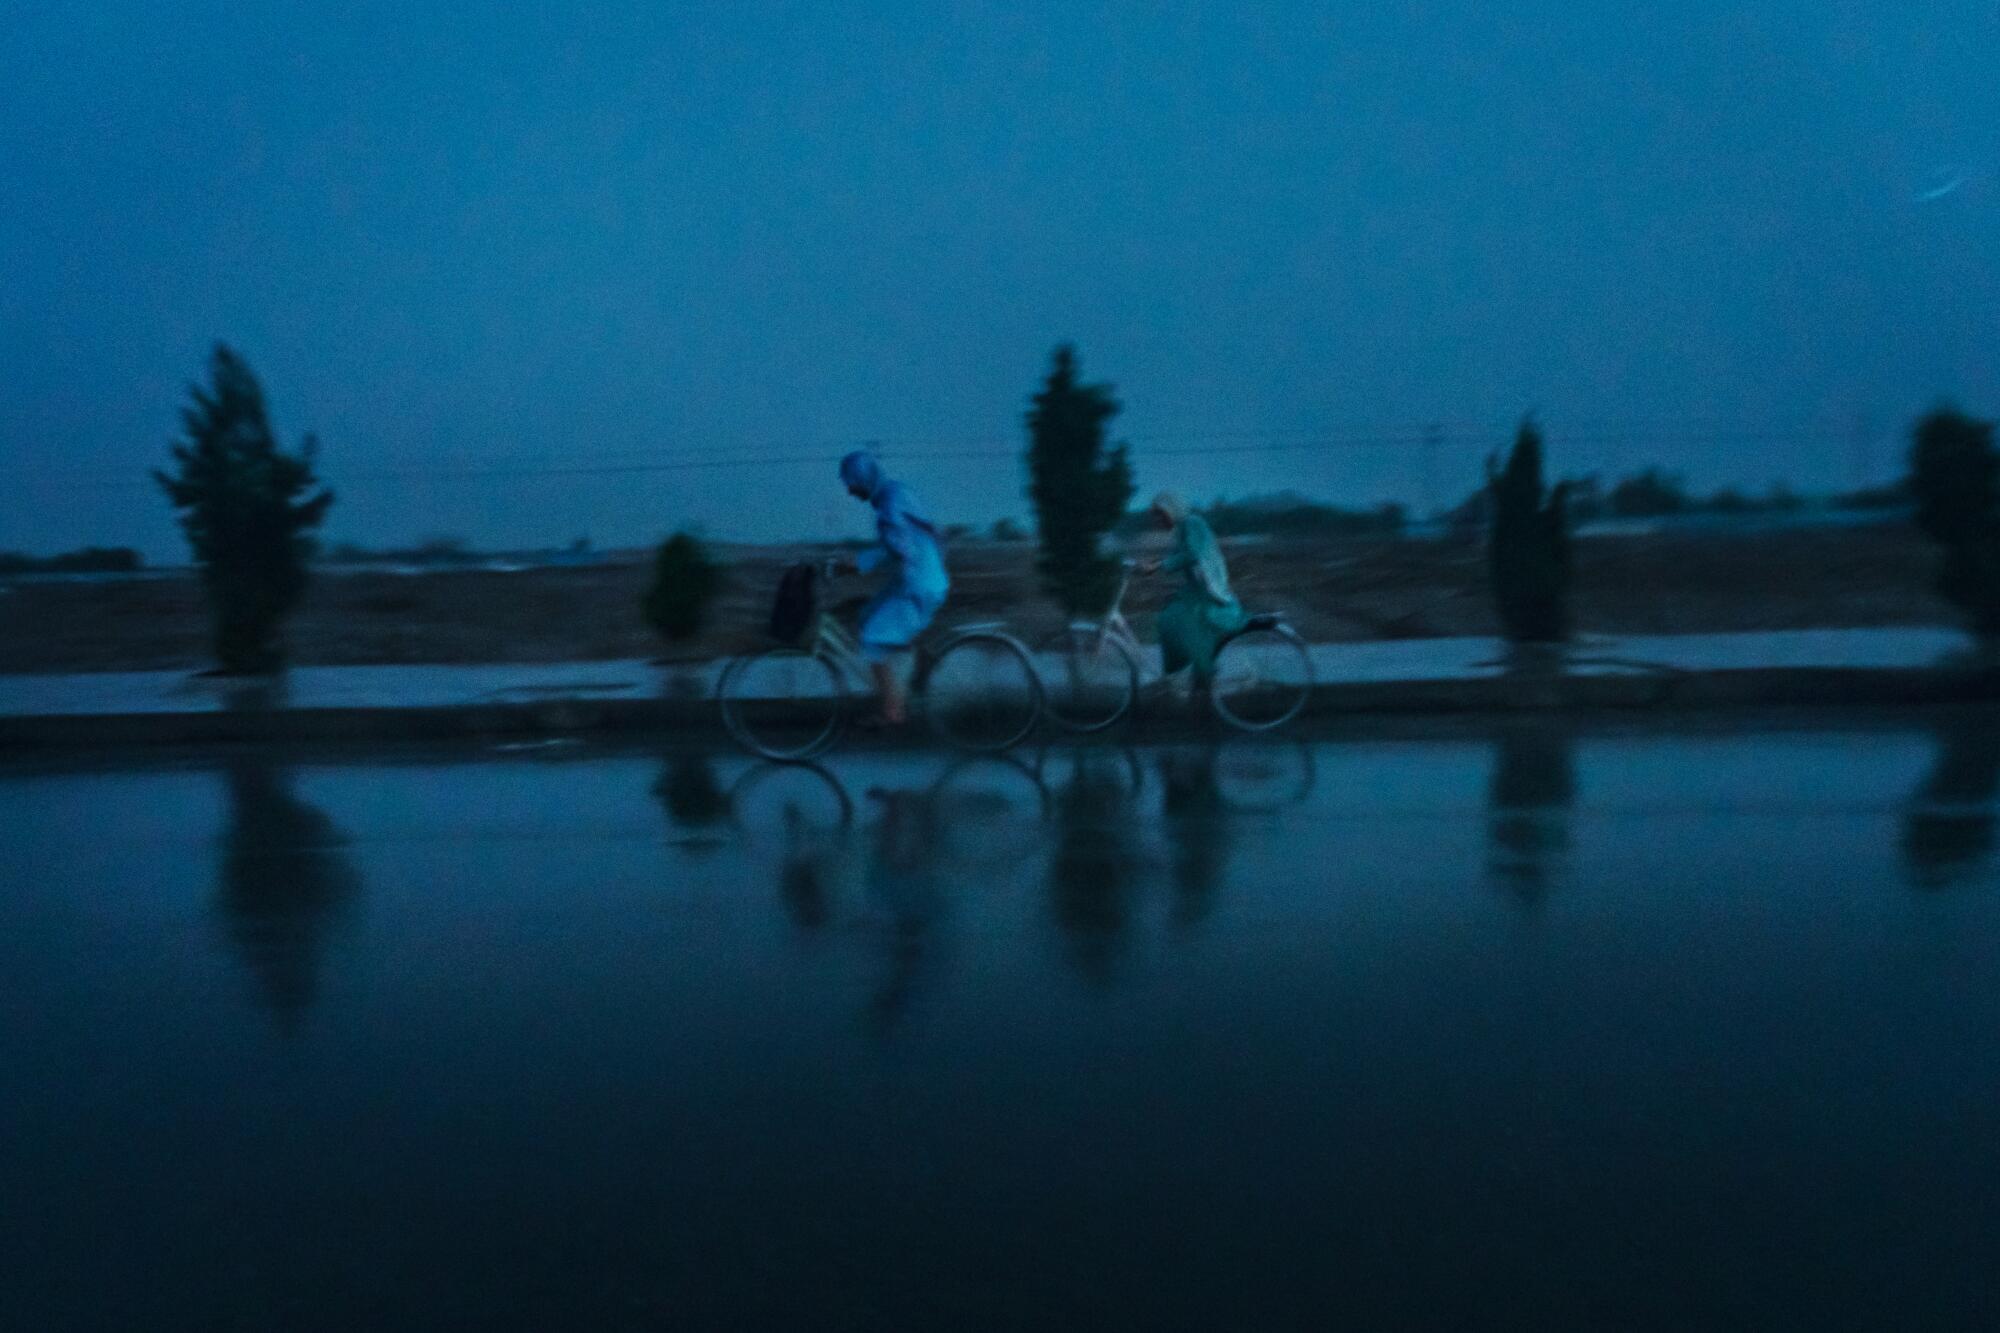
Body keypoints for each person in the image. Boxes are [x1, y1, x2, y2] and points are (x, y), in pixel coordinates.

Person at [837, 450, 950, 725]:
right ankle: (917, 664)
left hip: (916, 586)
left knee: (872, 643)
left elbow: (900, 551)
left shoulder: (888, 508)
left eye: (853, 483)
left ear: (863, 478)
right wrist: (861, 563)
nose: (851, 491)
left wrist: (858, 563)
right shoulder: (896, 493)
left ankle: (893, 711)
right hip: (922, 577)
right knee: (866, 617)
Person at [1141, 492, 1248, 696]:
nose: (1157, 520)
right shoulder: (1182, 528)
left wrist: (1159, 566)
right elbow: (1179, 555)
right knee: (1172, 614)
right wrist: (1154, 563)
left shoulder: (1192, 522)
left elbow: (1192, 554)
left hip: (1209, 589)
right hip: (1198, 588)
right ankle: (1197, 675)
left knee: (1173, 621)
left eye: (1160, 515)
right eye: (1155, 516)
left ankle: (1202, 671)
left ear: (1171, 510)